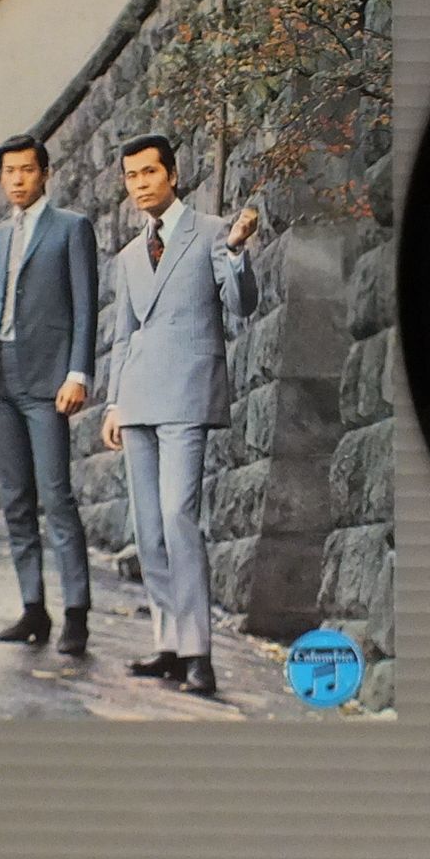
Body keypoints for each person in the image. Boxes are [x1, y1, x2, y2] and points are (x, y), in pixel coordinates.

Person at [101, 134, 259, 696]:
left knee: (177, 517)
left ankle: (198, 653)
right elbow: (123, 336)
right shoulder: (128, 255)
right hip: (138, 398)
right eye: (131, 176)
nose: (140, 184)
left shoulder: (212, 231)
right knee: (147, 529)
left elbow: (242, 304)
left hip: (187, 395)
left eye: (149, 172)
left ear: (172, 173)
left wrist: (236, 252)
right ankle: (167, 644)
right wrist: (114, 402)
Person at [0, 135, 99, 655]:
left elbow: (85, 306)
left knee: (56, 496)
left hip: (47, 379)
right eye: (9, 172)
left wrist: (78, 373)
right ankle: (32, 607)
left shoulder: (71, 228)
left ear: (45, 173)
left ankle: (76, 613)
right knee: (15, 498)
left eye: (26, 170)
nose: (17, 180)